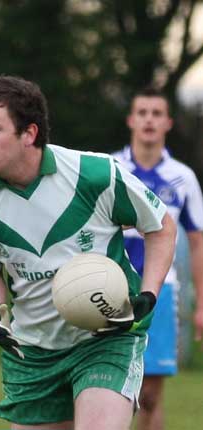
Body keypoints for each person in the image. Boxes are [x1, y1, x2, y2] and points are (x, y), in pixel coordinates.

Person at [0, 75, 177, 430]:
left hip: (105, 339)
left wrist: (148, 294)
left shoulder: (95, 175)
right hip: (33, 354)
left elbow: (162, 227)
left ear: (28, 133)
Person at [112, 87, 203, 430]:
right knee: (114, 387)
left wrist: (201, 304)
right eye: (143, 112)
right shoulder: (111, 168)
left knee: (149, 395)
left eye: (156, 113)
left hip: (161, 292)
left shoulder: (183, 178)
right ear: (131, 120)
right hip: (111, 289)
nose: (149, 119)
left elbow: (197, 242)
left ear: (168, 122)